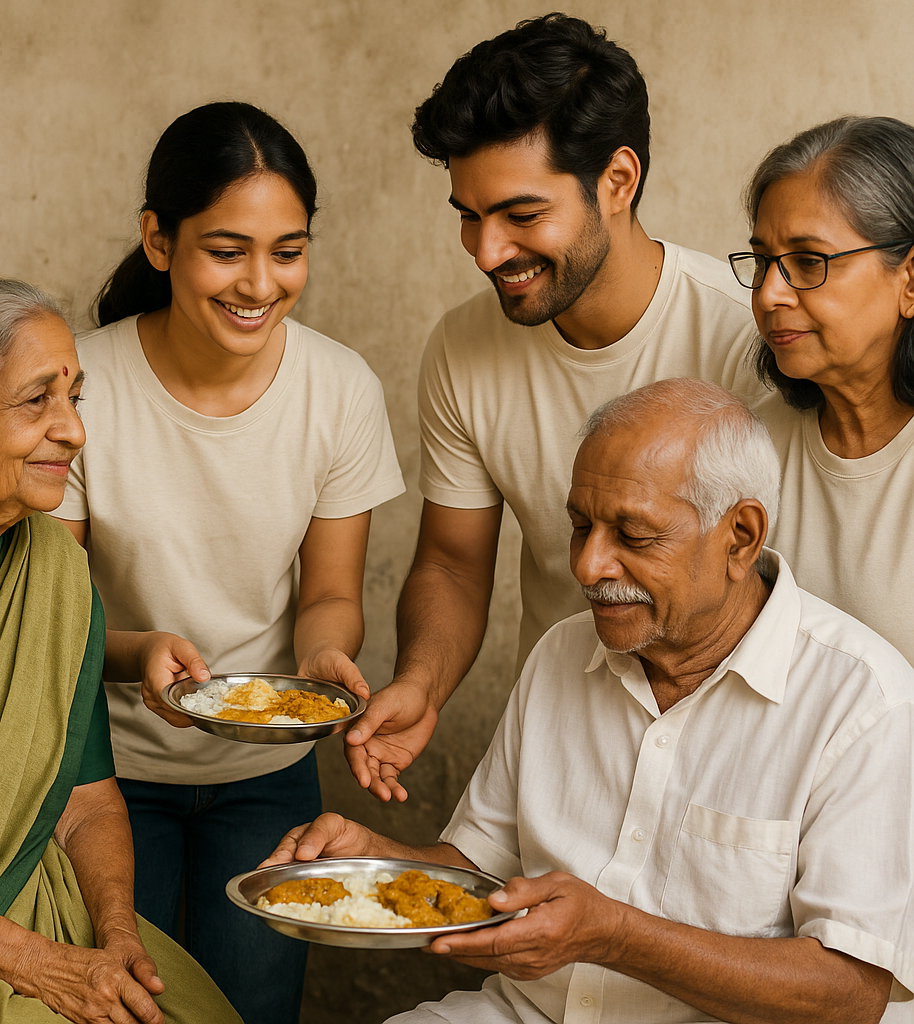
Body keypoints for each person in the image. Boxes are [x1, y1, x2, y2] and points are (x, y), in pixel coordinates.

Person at [269, 378, 913, 1024]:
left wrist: (615, 936)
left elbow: (848, 994)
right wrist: (377, 865)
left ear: (740, 537)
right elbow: (481, 873)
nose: (589, 566)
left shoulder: (862, 702)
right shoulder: (561, 653)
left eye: (632, 536)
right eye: (581, 526)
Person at [345, 12, 770, 802]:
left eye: (521, 215)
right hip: (566, 746)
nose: (486, 252)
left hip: (740, 756)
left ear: (618, 180)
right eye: (469, 216)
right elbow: (453, 562)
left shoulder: (747, 335)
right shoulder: (461, 349)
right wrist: (423, 684)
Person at [53, 101, 404, 1023]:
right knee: (126, 1003)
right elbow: (47, 611)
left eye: (287, 251)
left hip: (267, 775)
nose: (260, 282)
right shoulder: (78, 388)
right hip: (106, 770)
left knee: (249, 1009)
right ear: (159, 243)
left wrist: (326, 661)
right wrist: (135, 656)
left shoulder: (340, 390)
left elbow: (329, 592)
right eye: (226, 249)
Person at [0, 276, 239, 1024]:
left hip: (35, 899)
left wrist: (114, 938)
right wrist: (36, 964)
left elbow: (84, 803)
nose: (74, 431)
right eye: (36, 400)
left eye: (74, 398)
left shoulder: (52, 568)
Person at [728, 115, 914, 666]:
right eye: (763, 262)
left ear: (910, 280)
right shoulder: (745, 450)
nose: (768, 295)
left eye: (809, 261)